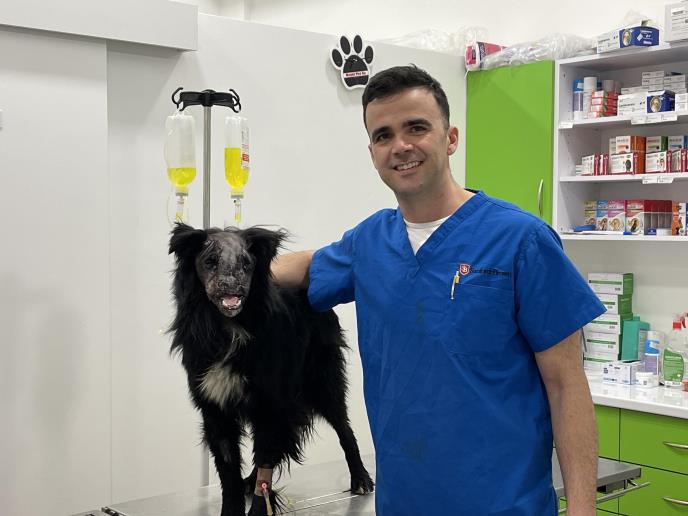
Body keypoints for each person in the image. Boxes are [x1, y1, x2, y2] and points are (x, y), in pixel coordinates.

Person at [272, 65, 605, 516]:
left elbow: (566, 387)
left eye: (416, 127)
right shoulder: (368, 242)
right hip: (402, 505)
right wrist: (228, 268)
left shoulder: (520, 240)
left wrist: (582, 509)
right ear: (372, 153)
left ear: (450, 138)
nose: (400, 146)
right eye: (384, 135)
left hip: (504, 506)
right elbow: (306, 268)